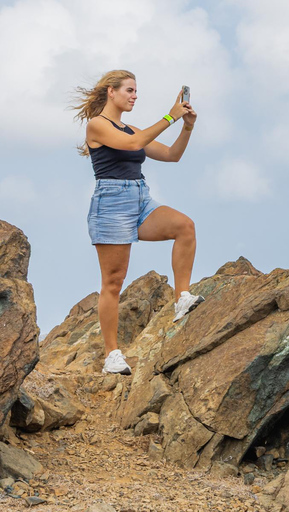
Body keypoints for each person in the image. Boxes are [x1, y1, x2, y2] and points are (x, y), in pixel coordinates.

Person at [72, 70, 204, 375]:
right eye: (129, 90)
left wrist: (186, 127)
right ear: (111, 92)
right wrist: (169, 117)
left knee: (185, 226)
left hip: (140, 198)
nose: (134, 96)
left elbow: (172, 155)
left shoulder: (131, 128)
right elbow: (133, 145)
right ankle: (111, 355)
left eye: (136, 91)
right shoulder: (98, 126)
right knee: (113, 282)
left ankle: (182, 298)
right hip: (112, 204)